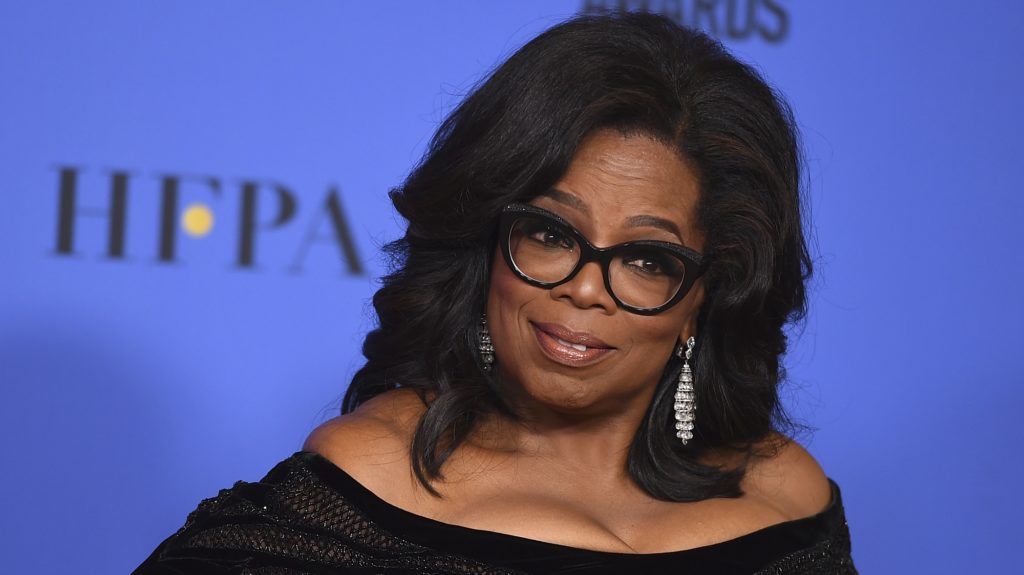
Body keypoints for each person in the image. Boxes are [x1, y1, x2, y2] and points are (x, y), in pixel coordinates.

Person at [134, 11, 856, 574]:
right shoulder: (363, 487)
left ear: (705, 292)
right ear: (487, 248)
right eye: (549, 234)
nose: (583, 288)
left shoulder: (784, 496)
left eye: (645, 258)